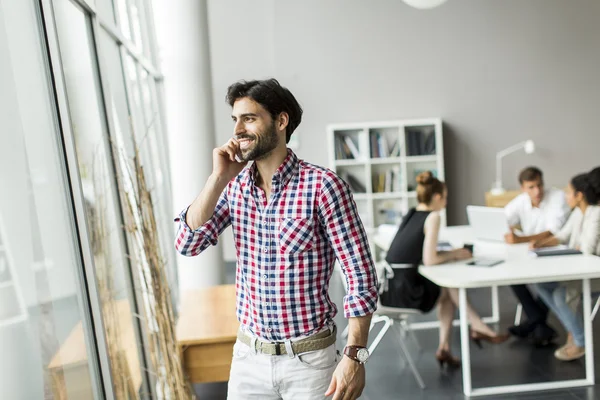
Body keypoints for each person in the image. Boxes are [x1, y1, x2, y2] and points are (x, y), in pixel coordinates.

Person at [174, 79, 378, 400]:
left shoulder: (323, 186)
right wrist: (218, 178)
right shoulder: (234, 187)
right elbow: (188, 242)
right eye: (235, 119)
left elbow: (360, 276)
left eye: (249, 118)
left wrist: (355, 356)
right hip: (248, 359)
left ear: (281, 122)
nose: (238, 129)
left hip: (309, 362)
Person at [382, 171, 509, 369]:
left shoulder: (413, 213)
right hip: (406, 293)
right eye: (446, 198)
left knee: (448, 291)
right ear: (437, 197)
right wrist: (456, 254)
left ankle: (446, 347)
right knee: (449, 288)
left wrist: (448, 252)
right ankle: (476, 326)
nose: (446, 202)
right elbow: (430, 260)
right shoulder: (433, 217)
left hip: (390, 287)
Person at [532, 173, 600, 361]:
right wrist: (541, 243)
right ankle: (574, 329)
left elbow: (586, 249)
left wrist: (577, 248)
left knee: (560, 295)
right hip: (580, 270)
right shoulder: (578, 212)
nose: (565, 195)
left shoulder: (596, 214)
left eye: (569, 192)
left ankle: (581, 341)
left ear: (580, 195)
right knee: (543, 285)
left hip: (594, 276)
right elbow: (562, 235)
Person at [503, 167, 570, 345]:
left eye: (539, 185)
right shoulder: (521, 201)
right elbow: (503, 219)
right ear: (523, 188)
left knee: (545, 282)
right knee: (512, 276)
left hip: (557, 252)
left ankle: (532, 324)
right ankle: (538, 323)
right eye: (531, 187)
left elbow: (552, 232)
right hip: (531, 252)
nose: (537, 191)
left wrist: (519, 239)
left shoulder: (557, 198)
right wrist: (506, 232)